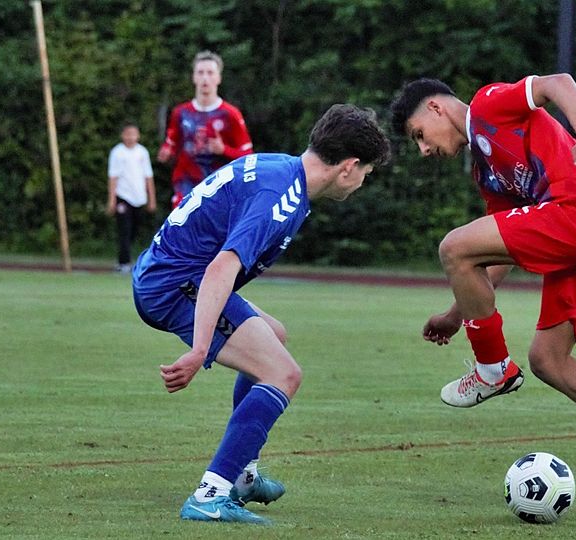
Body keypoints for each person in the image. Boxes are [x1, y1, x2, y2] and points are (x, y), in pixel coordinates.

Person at [390, 75, 576, 508]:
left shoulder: (487, 106)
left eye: (419, 136)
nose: (424, 149)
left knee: (452, 246)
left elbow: (558, 83)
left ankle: (493, 369)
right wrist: (454, 315)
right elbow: (496, 256)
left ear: (435, 108)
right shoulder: (487, 173)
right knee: (548, 360)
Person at [133, 104, 390, 524]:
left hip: (170, 273)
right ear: (348, 167)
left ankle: (243, 475)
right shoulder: (280, 197)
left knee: (275, 334)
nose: (363, 181)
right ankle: (210, 496)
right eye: (366, 172)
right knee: (284, 374)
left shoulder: (283, 170)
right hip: (173, 285)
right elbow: (221, 269)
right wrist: (200, 350)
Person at [157, 50, 253, 208]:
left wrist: (224, 150)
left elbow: (248, 156)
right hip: (186, 183)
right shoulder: (181, 113)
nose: (205, 78)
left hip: (218, 185)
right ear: (194, 77)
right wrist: (167, 152)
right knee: (181, 221)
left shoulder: (230, 114)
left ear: (218, 78)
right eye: (200, 72)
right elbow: (172, 144)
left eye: (210, 73)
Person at [107, 123, 156, 273]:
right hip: (123, 196)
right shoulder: (117, 152)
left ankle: (130, 258)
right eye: (127, 134)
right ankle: (124, 262)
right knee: (124, 230)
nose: (130, 137)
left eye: (133, 134)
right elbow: (113, 177)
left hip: (139, 198)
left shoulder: (142, 152)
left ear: (138, 136)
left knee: (135, 229)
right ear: (122, 135)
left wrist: (151, 198)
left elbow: (148, 177)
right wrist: (112, 200)